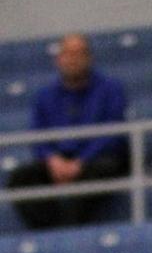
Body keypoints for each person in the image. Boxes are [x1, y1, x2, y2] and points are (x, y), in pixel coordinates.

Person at [7, 32, 129, 229]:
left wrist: (81, 162)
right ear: (59, 58)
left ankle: (71, 230)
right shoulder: (45, 96)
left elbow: (113, 133)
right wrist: (53, 160)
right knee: (21, 178)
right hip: (59, 160)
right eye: (68, 54)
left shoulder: (110, 89)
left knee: (101, 171)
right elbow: (38, 136)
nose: (73, 60)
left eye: (79, 53)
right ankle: (51, 232)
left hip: (96, 160)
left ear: (89, 57)